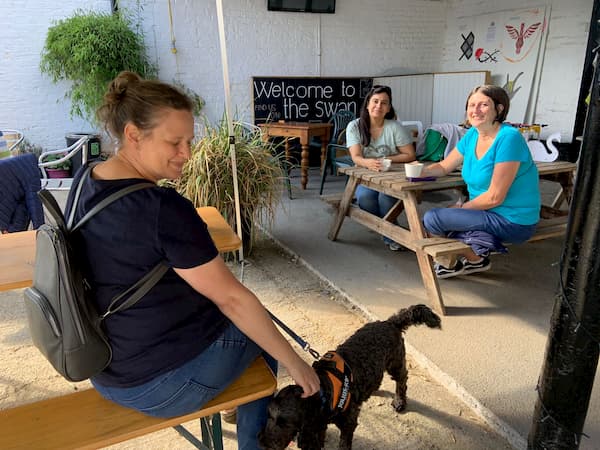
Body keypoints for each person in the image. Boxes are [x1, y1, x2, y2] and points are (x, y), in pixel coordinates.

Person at [64, 71, 320, 449]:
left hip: (105, 370)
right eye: (175, 142)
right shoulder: (163, 209)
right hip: (159, 386)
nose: (187, 153)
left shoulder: (86, 178)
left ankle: (238, 400)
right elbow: (232, 299)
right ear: (134, 134)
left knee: (245, 320)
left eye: (189, 140)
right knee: (262, 336)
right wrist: (297, 363)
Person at [421, 85, 540, 279]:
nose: (475, 110)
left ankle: (470, 258)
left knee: (433, 219)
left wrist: (461, 208)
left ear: (499, 109)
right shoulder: (472, 135)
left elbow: (494, 197)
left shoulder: (509, 138)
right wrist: (420, 170)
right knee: (438, 220)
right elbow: (444, 167)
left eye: (483, 105)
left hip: (513, 220)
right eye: (471, 105)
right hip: (486, 212)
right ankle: (476, 254)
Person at [345, 85, 416, 251]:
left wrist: (384, 159)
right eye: (375, 101)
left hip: (391, 175)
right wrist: (368, 162)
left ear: (389, 108)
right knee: (365, 199)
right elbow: (356, 157)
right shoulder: (355, 126)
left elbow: (410, 155)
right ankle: (391, 232)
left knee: (386, 199)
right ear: (368, 104)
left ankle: (389, 234)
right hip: (365, 175)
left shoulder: (394, 127)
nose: (379, 106)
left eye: (384, 103)